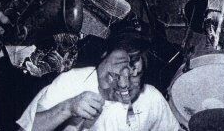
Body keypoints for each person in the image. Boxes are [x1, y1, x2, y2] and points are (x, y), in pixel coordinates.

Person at [17, 29, 181, 131]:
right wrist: (67, 108)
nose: (123, 84)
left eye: (134, 75)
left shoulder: (151, 98)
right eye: (115, 74)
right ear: (104, 56)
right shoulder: (71, 81)